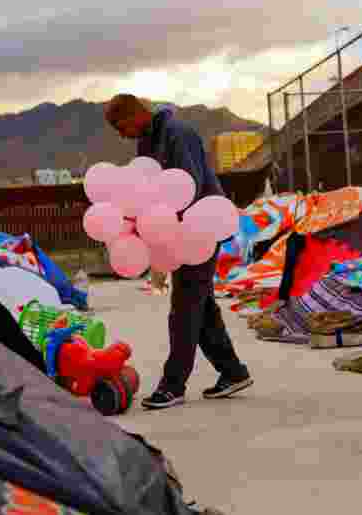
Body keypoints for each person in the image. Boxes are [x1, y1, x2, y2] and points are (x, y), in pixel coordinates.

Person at [104, 94, 253, 410]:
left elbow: (189, 185)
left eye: (121, 127)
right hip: (176, 234)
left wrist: (165, 225)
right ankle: (233, 371)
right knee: (201, 306)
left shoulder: (177, 133)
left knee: (185, 309)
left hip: (198, 230)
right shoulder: (147, 142)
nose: (121, 135)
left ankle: (173, 385)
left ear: (135, 114)